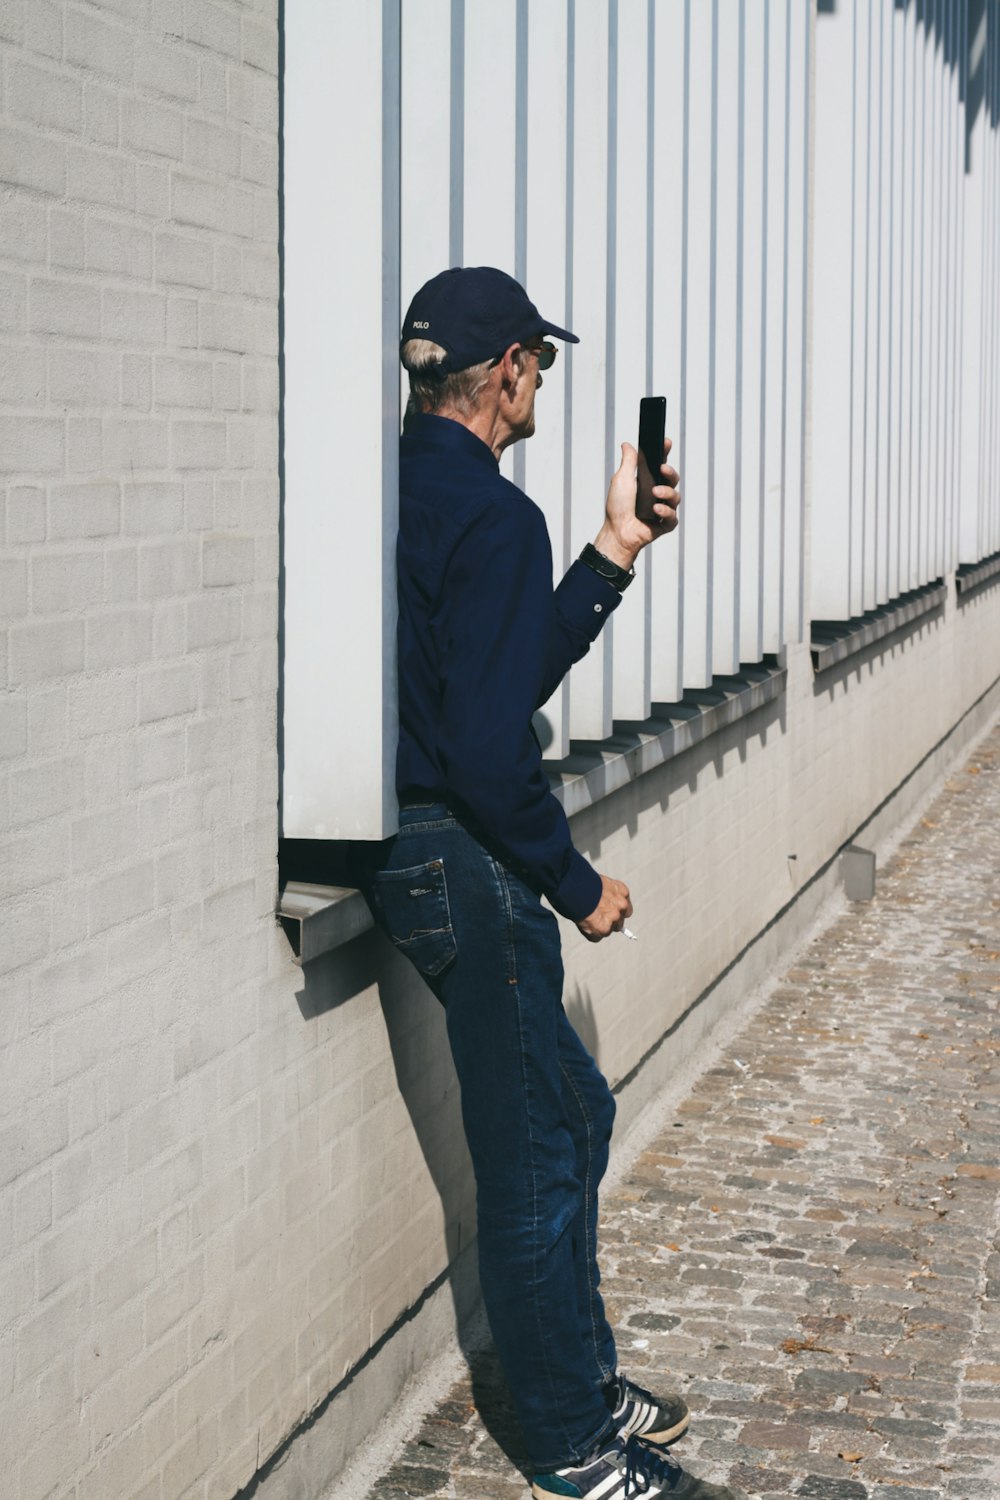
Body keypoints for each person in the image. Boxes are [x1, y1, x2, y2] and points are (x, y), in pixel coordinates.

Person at [360, 267, 739, 1500]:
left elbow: (486, 682)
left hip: (409, 843)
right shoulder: (491, 515)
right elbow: (486, 746)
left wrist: (613, 548)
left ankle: (580, 1379)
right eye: (543, 365)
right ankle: (574, 1442)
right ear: (509, 369)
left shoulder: (396, 487)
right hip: (464, 854)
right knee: (540, 1150)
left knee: (568, 1119)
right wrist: (574, 882)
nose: (543, 388)